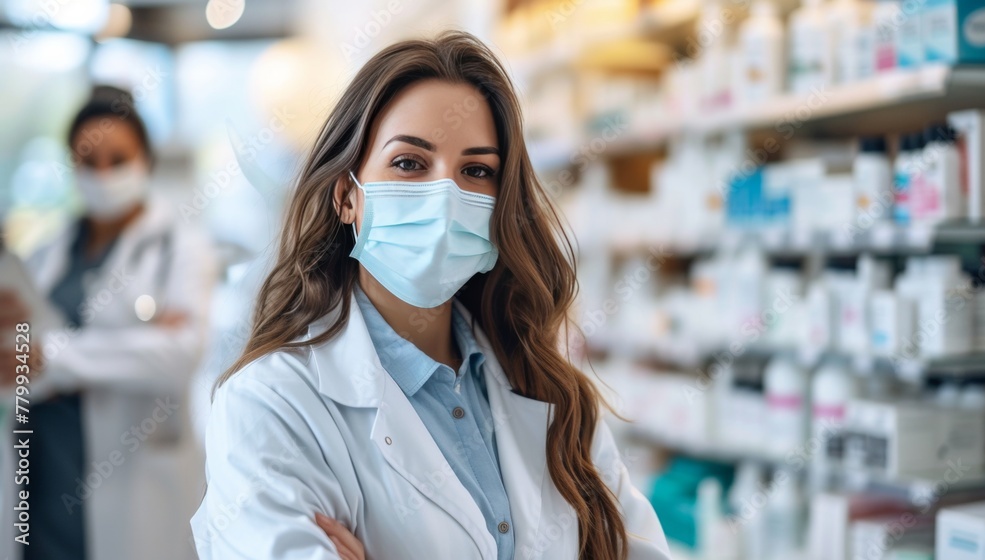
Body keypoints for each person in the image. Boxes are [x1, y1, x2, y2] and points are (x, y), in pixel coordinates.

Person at [191, 32, 671, 560]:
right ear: (347, 196)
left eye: (477, 171)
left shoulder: (554, 393)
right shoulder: (270, 403)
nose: (446, 195)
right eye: (409, 163)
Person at [0, 86, 217, 560]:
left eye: (118, 159)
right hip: (42, 467)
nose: (103, 174)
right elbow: (16, 359)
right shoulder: (46, 253)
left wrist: (53, 357)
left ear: (146, 160)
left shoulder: (179, 247)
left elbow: (179, 355)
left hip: (132, 477)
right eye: (87, 160)